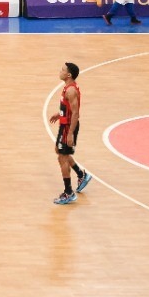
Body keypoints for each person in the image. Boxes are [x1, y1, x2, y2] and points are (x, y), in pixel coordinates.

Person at [49, 62, 92, 204]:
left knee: (62, 157)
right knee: (60, 152)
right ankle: (81, 175)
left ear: (68, 75)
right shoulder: (67, 87)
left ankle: (68, 193)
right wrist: (59, 114)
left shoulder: (71, 91)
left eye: (62, 70)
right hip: (64, 124)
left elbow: (75, 114)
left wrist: (70, 133)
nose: (60, 71)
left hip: (68, 127)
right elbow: (68, 109)